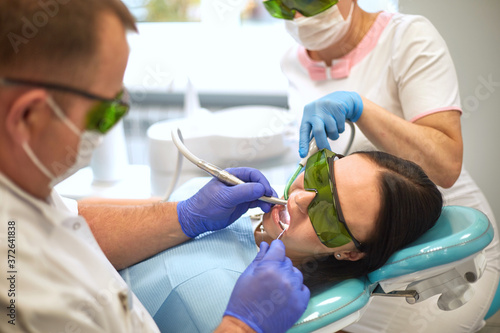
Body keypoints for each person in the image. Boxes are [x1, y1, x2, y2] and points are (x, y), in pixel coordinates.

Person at [0, 1, 309, 332]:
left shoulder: (22, 185)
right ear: (27, 116)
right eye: (105, 114)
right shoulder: (23, 298)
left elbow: (70, 222)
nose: (105, 134)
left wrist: (183, 215)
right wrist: (243, 326)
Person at [263, 0, 500, 332]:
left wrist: (362, 110)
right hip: (354, 249)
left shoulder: (408, 38)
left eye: (307, 1)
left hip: (446, 248)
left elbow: (446, 166)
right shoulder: (291, 61)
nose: (298, 16)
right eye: (280, 6)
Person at [120, 149, 443, 332]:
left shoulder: (246, 309)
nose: (300, 198)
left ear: (350, 254)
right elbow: (77, 223)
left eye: (330, 216)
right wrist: (180, 213)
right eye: (319, 174)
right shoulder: (224, 206)